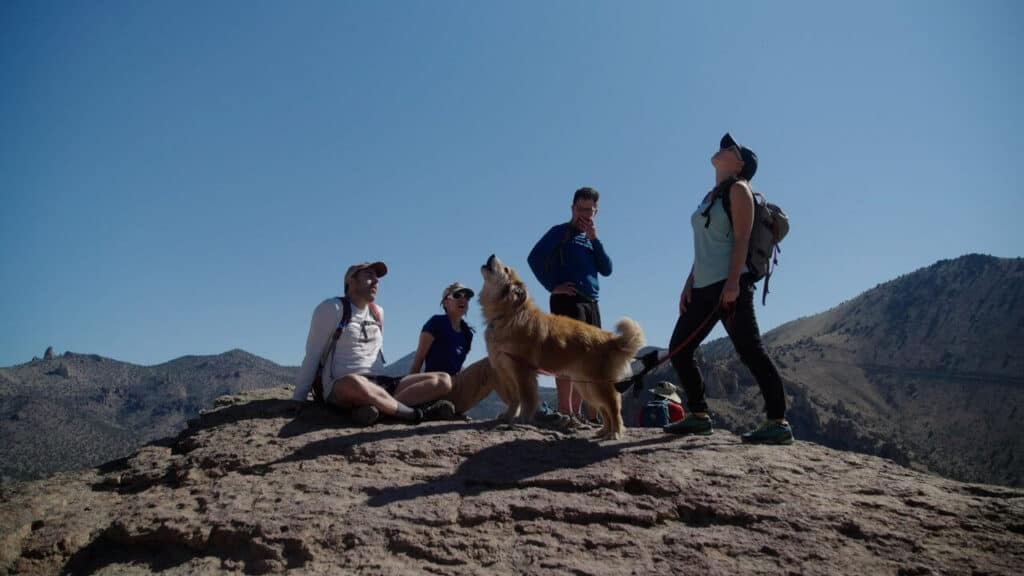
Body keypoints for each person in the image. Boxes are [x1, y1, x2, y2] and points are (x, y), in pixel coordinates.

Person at [663, 134, 793, 444]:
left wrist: (734, 283)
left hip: (729, 284)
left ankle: (778, 422)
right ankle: (698, 416)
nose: (721, 148)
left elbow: (741, 240)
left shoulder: (739, 190)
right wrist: (688, 282)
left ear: (740, 164)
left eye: (729, 148)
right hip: (705, 285)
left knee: (751, 351)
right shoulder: (712, 195)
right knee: (679, 350)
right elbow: (706, 245)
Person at [292, 261, 456, 426]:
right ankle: (415, 414)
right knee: (356, 383)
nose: (376, 281)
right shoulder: (332, 308)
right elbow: (313, 354)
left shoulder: (378, 312)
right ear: (351, 280)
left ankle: (378, 410)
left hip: (380, 383)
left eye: (377, 277)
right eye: (369, 276)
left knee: (444, 380)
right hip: (343, 385)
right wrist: (298, 398)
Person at [527, 187, 612, 429]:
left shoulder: (590, 239)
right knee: (567, 356)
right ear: (572, 208)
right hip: (567, 300)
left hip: (591, 302)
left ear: (596, 211)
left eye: (589, 210)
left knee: (587, 358)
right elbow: (534, 258)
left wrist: (595, 240)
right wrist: (553, 286)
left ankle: (577, 414)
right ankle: (565, 409)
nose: (584, 214)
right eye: (580, 209)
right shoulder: (560, 232)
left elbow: (606, 269)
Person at [409, 282, 475, 376]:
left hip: (455, 385)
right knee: (444, 382)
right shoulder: (436, 323)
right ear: (445, 303)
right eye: (457, 295)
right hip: (434, 383)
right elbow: (418, 361)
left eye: (467, 297)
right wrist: (411, 386)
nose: (463, 299)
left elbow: (457, 365)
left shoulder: (467, 334)